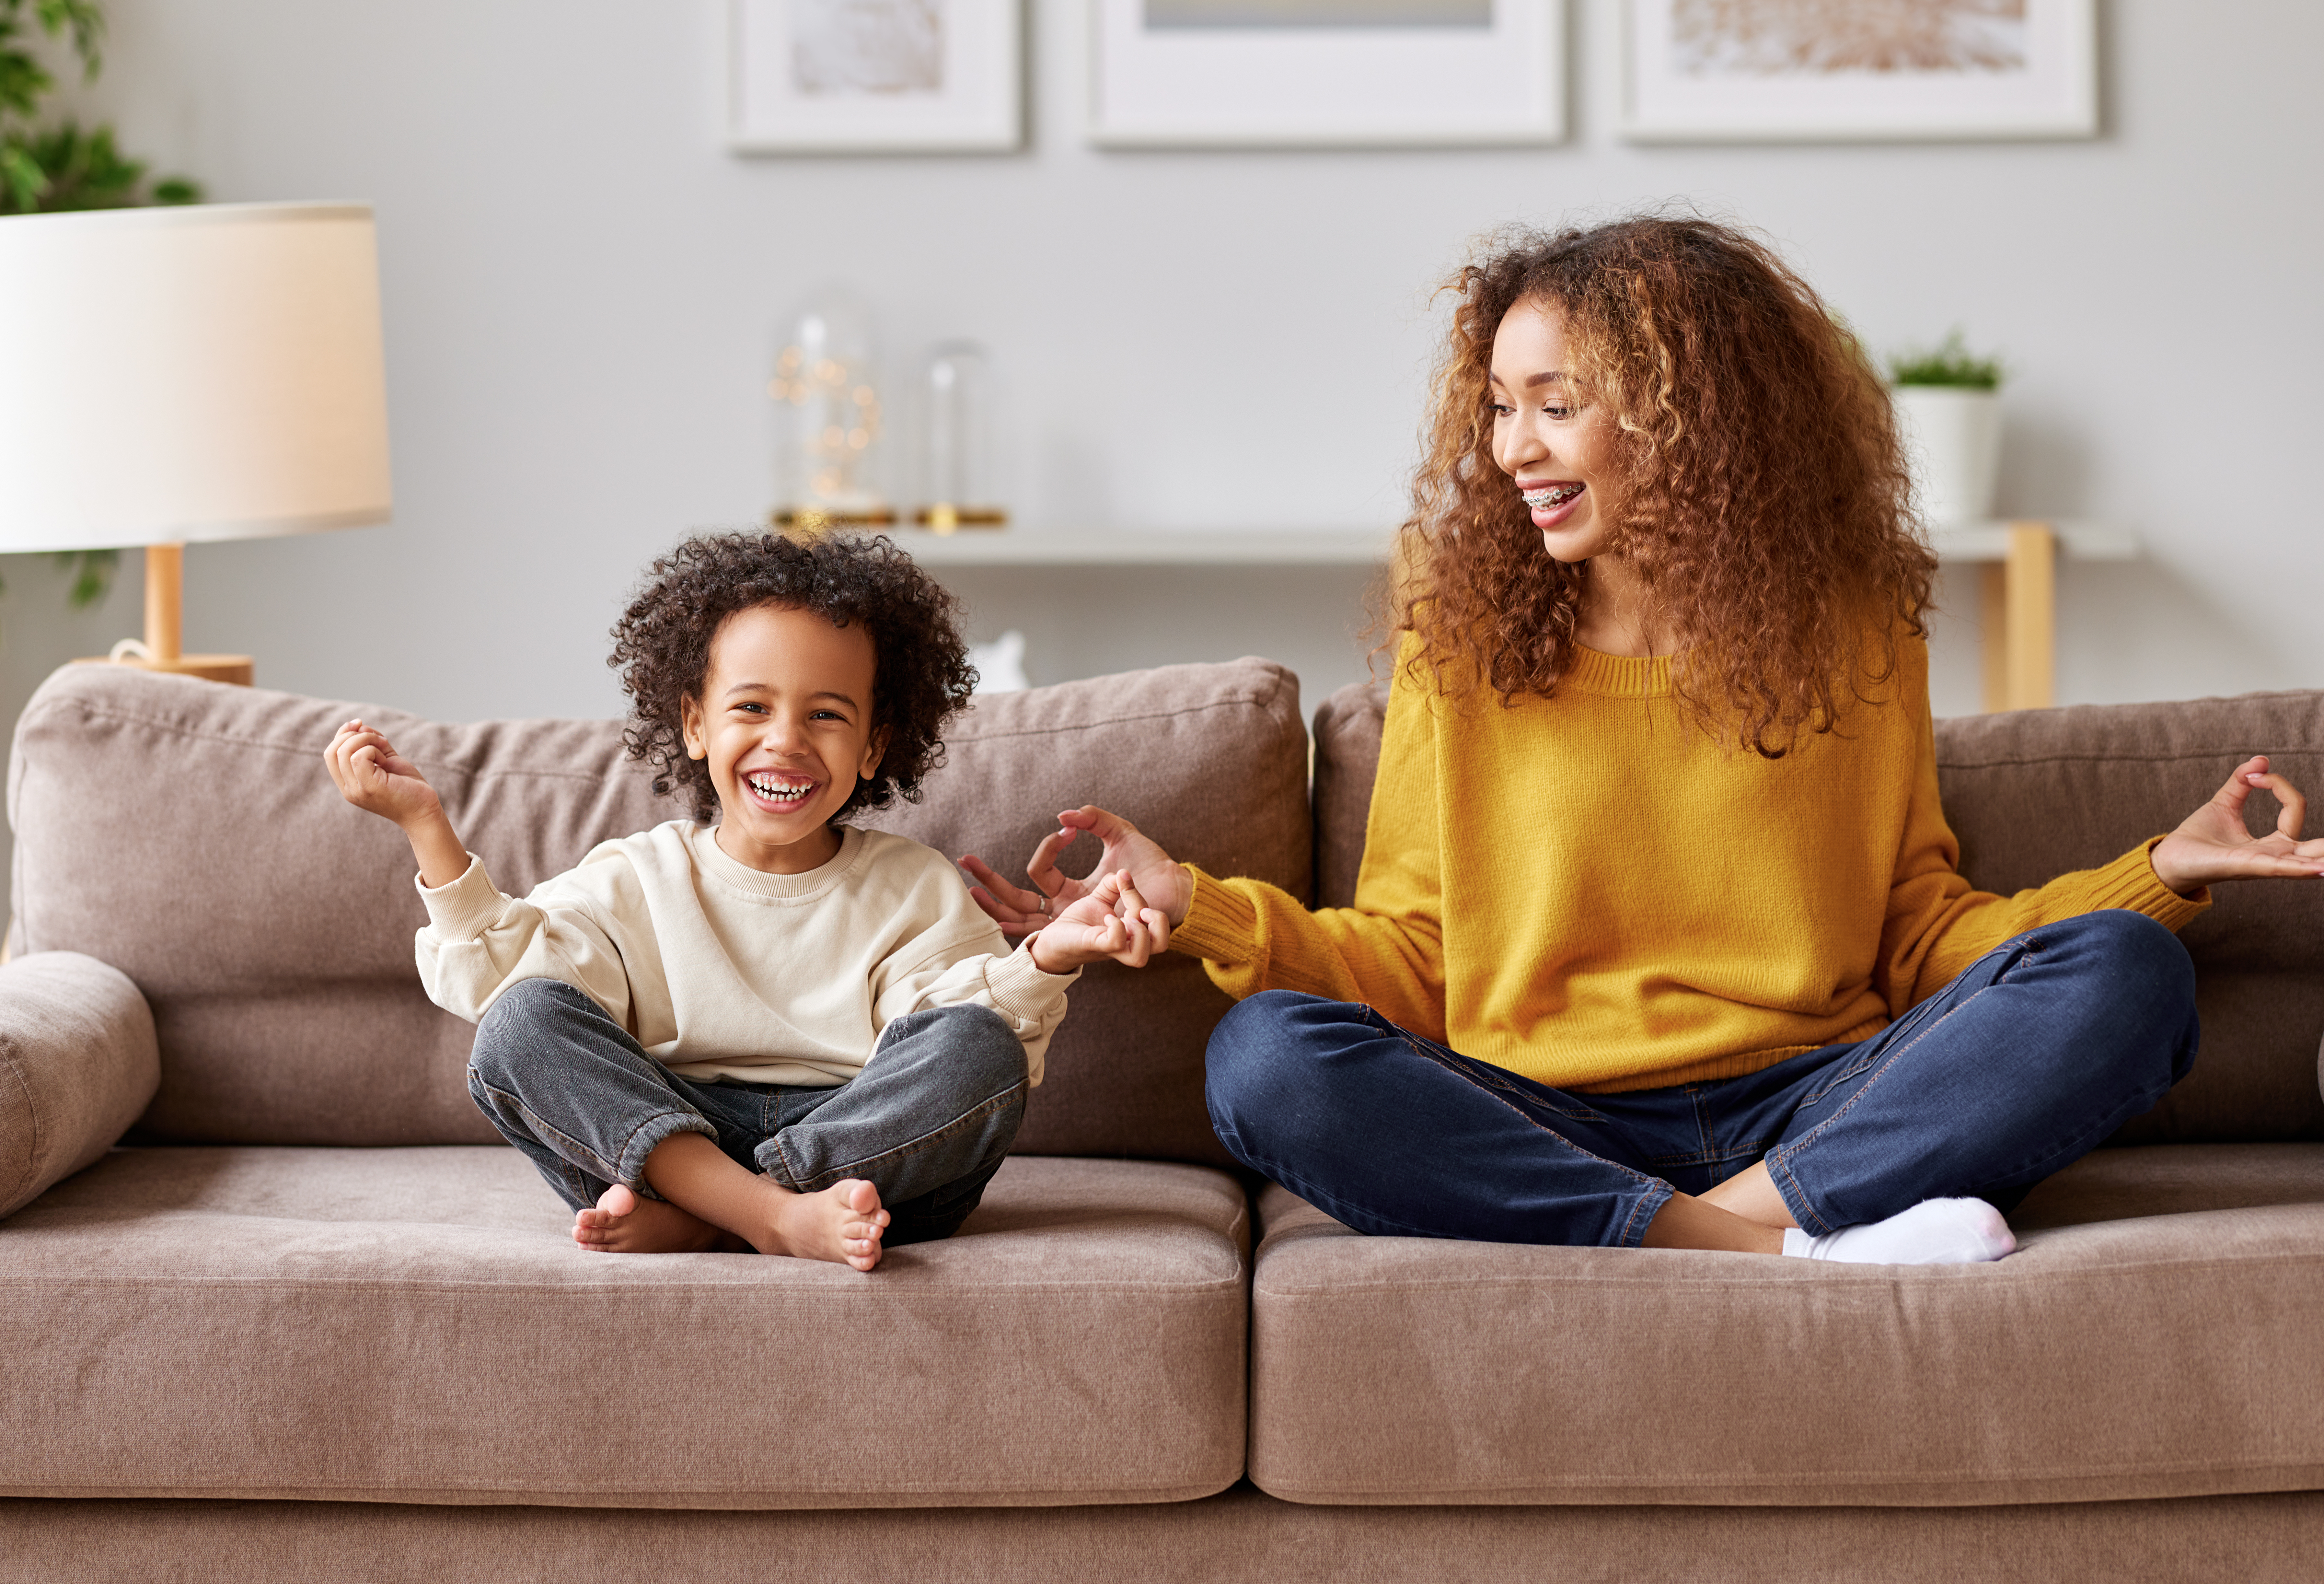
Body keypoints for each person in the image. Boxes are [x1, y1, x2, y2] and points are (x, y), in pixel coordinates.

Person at [962, 215, 2324, 1266]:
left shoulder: (1852, 632)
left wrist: (2167, 870)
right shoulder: (1465, 641)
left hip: (1820, 1096)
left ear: (1697, 416)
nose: (1510, 449)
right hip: (1545, 1108)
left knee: (2127, 971)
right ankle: (1772, 1244)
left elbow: (1918, 932)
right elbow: (1418, 962)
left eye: (1556, 404)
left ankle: (1716, 1225)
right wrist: (1194, 904)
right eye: (1499, 406)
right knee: (1266, 1061)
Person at [326, 531, 1170, 1270]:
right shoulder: (635, 876)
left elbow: (951, 1032)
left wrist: (1049, 957)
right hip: (665, 1134)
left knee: (980, 1052)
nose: (786, 740)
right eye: (752, 707)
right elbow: (501, 983)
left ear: (877, 743)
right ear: (695, 724)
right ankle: (766, 1217)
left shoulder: (911, 887)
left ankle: (719, 1220)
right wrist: (426, 827)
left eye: (827, 715)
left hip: (861, 1152)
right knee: (520, 1027)